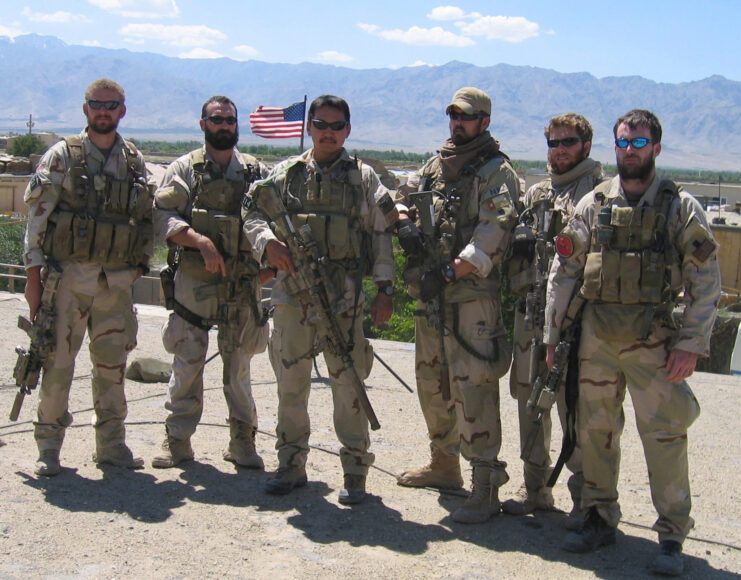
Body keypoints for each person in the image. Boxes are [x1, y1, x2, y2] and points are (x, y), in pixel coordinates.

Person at [544, 109, 720, 576]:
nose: (629, 151)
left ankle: (671, 537)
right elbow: (564, 272)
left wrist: (691, 344)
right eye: (622, 143)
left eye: (639, 144)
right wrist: (551, 332)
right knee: (595, 433)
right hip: (595, 341)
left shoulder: (680, 207)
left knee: (664, 437)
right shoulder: (595, 203)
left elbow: (706, 282)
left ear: (656, 149)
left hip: (654, 344)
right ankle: (599, 517)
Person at [243, 94, 394, 504]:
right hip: (292, 294)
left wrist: (384, 290)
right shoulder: (285, 174)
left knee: (348, 383)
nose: (328, 132)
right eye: (321, 124)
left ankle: (355, 472)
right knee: (291, 383)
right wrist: (266, 244)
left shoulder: (362, 179)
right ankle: (290, 465)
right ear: (309, 127)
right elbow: (252, 212)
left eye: (336, 126)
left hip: (343, 298)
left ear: (348, 130)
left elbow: (381, 234)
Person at [394, 87, 519, 523]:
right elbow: (399, 195)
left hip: (470, 299)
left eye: (465, 117)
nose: (456, 123)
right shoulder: (435, 165)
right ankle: (444, 464)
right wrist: (405, 223)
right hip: (432, 295)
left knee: (473, 387)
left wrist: (446, 274)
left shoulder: (497, 173)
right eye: (452, 115)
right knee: (432, 381)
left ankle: (485, 482)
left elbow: (490, 237)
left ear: (484, 121)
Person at [22, 78, 155, 476]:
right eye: (96, 104)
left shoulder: (133, 160)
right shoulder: (63, 156)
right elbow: (37, 221)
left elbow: (146, 220)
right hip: (69, 281)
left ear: (122, 111)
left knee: (112, 368)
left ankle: (111, 446)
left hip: (115, 285)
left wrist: (140, 267)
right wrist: (33, 277)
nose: (103, 111)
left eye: (111, 105)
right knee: (57, 364)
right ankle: (48, 446)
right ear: (85, 109)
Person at [151, 95, 271, 470]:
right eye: (216, 119)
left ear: (237, 125)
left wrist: (269, 267)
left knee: (238, 366)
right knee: (188, 362)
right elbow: (163, 217)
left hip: (242, 284)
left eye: (229, 120)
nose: (224, 125)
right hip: (195, 282)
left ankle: (242, 442)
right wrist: (199, 241)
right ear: (203, 124)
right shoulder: (185, 169)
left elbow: (273, 219)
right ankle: (178, 440)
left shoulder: (254, 172)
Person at [503, 113, 604, 525]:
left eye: (568, 141)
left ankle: (585, 502)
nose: (559, 149)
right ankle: (536, 489)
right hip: (532, 315)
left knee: (574, 410)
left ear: (586, 146)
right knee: (530, 400)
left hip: (577, 322)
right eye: (553, 142)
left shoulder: (599, 194)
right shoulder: (539, 192)